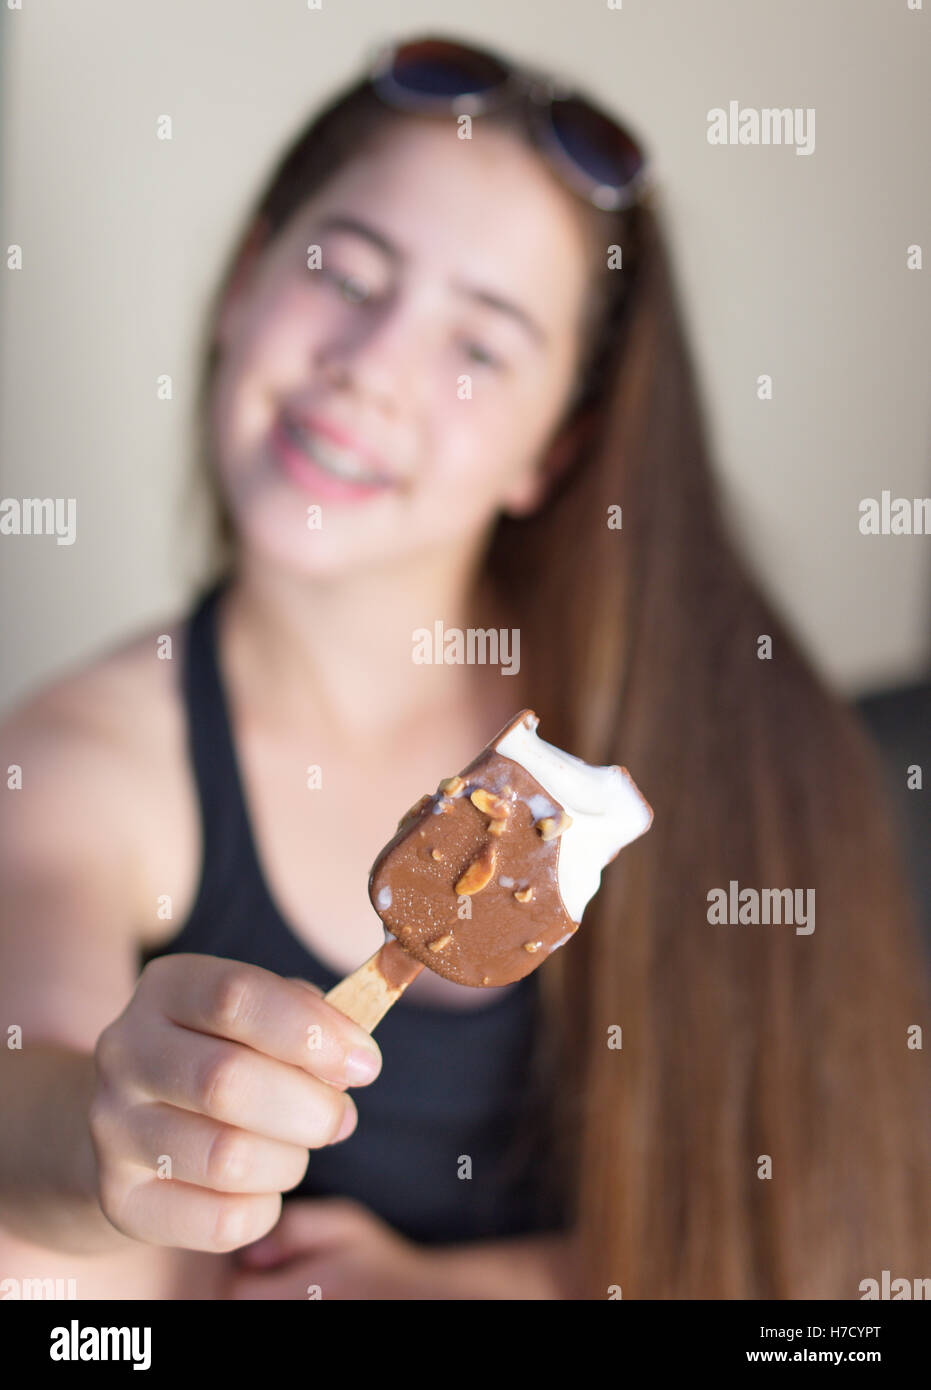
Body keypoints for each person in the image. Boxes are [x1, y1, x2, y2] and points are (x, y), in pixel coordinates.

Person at [1, 36, 928, 1301]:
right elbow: (29, 1101)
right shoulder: (71, 763)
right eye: (344, 273)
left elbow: (850, 1276)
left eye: (479, 347)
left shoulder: (731, 746)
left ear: (552, 450)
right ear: (243, 280)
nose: (369, 367)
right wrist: (106, 1133)